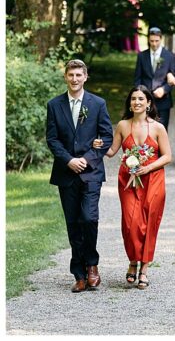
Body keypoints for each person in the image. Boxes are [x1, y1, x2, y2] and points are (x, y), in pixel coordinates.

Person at [45, 59, 113, 293]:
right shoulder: (54, 105)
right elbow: (52, 139)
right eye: (71, 75)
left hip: (91, 172)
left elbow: (106, 137)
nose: (74, 79)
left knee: (89, 218)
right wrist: (69, 160)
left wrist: (88, 158)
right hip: (66, 173)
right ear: (65, 76)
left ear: (85, 77)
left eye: (78, 75)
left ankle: (92, 264)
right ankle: (79, 274)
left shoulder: (98, 104)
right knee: (73, 223)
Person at [98, 86, 171, 290]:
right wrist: (97, 144)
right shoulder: (123, 125)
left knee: (149, 223)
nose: (136, 102)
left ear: (148, 103)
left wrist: (146, 167)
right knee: (131, 224)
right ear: (129, 103)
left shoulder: (158, 128)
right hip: (128, 180)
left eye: (141, 99)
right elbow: (112, 150)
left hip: (153, 179)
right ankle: (132, 260)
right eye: (133, 99)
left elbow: (167, 156)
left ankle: (144, 269)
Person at [133, 27, 175, 127]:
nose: (154, 44)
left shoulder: (169, 56)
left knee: (162, 130)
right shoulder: (141, 56)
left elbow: (174, 78)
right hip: (145, 100)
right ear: (148, 40)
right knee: (144, 130)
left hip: (163, 100)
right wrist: (140, 94)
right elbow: (137, 78)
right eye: (151, 41)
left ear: (161, 39)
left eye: (156, 41)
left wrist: (164, 89)